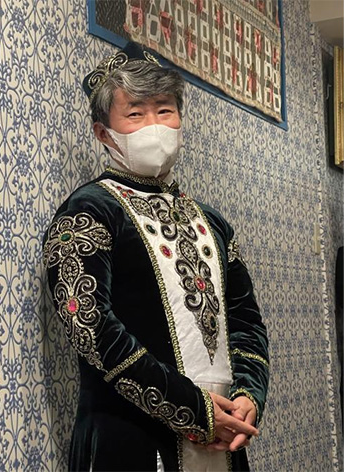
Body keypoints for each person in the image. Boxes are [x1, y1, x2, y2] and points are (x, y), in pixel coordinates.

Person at [43, 42, 269, 471]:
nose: (154, 125)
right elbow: (90, 327)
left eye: (164, 110)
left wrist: (249, 397)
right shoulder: (89, 211)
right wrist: (193, 410)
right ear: (103, 132)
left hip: (225, 440)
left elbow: (246, 322)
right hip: (129, 440)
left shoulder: (213, 223)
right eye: (135, 113)